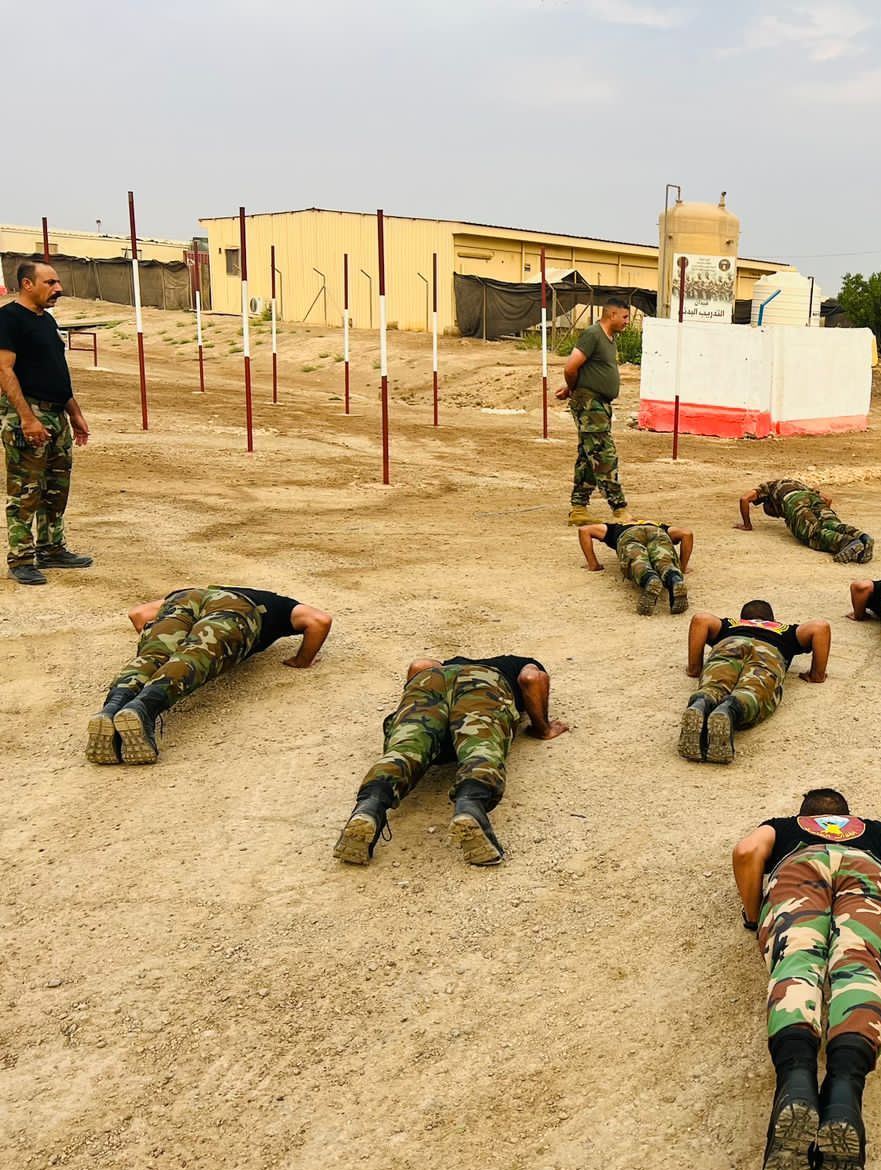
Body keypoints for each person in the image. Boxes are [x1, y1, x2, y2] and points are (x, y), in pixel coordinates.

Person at [732, 788, 881, 1170]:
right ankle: (844, 1092)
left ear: (804, 815)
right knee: (859, 971)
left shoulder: (783, 827)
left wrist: (754, 916)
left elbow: (745, 853)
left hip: (798, 871)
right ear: (847, 816)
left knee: (797, 966)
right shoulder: (875, 830)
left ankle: (796, 1082)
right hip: (868, 874)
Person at [334, 654, 568, 867]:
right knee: (480, 749)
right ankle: (470, 804)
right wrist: (543, 728)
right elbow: (530, 678)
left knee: (407, 747)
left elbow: (419, 666)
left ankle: (369, 806)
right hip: (484, 684)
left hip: (430, 681)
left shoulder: (447, 662)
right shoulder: (520, 662)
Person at [85, 586, 333, 765]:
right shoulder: (281, 604)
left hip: (185, 598)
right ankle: (144, 709)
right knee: (194, 657)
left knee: (150, 657)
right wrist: (302, 660)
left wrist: (162, 645)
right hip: (238, 610)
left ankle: (112, 708)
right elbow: (320, 620)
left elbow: (138, 615)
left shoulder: (201, 590)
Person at [1, 261, 92, 585]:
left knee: (55, 488)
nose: (58, 288)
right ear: (27, 284)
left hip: (56, 414)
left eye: (58, 283)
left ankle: (51, 548)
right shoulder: (8, 319)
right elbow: (4, 370)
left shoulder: (46, 320)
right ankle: (21, 558)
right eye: (50, 282)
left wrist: (74, 411)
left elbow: (54, 370)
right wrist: (27, 418)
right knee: (26, 490)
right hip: (29, 415)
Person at [680, 601, 831, 763]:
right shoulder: (785, 630)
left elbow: (700, 619)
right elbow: (820, 627)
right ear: (772, 620)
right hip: (768, 652)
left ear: (743, 618)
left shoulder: (731, 624)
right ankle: (730, 709)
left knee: (714, 685)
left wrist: (694, 668)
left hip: (730, 644)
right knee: (752, 691)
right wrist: (817, 674)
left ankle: (702, 701)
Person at [558, 298, 631, 526]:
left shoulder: (609, 339)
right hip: (589, 404)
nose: (627, 321)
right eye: (625, 317)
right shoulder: (593, 334)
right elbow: (571, 366)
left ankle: (579, 508)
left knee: (587, 456)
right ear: (612, 315)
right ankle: (619, 508)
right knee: (602, 454)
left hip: (599, 404)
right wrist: (573, 388)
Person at [736, 477, 873, 563]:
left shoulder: (766, 487)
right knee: (832, 523)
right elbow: (827, 499)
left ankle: (845, 541)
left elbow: (744, 499)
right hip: (813, 497)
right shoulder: (795, 483)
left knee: (812, 534)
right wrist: (821, 519)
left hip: (793, 502)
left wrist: (747, 525)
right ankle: (862, 537)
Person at [577, 518, 693, 615]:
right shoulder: (661, 526)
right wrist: (682, 567)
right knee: (664, 561)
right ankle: (674, 579)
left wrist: (594, 565)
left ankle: (650, 578)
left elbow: (584, 530)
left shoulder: (616, 527)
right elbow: (687, 534)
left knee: (638, 562)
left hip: (629, 535)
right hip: (657, 533)